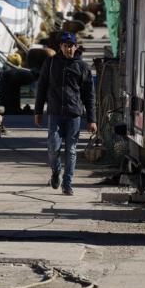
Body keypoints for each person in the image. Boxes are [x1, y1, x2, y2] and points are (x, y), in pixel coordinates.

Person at [33, 32, 97, 195]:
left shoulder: (83, 67)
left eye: (71, 46)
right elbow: (41, 88)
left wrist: (92, 119)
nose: (69, 49)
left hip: (74, 114)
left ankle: (67, 183)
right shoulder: (51, 63)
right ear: (60, 47)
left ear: (76, 47)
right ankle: (56, 170)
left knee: (71, 150)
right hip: (54, 113)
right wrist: (38, 111)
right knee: (53, 147)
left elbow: (89, 95)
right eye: (65, 46)